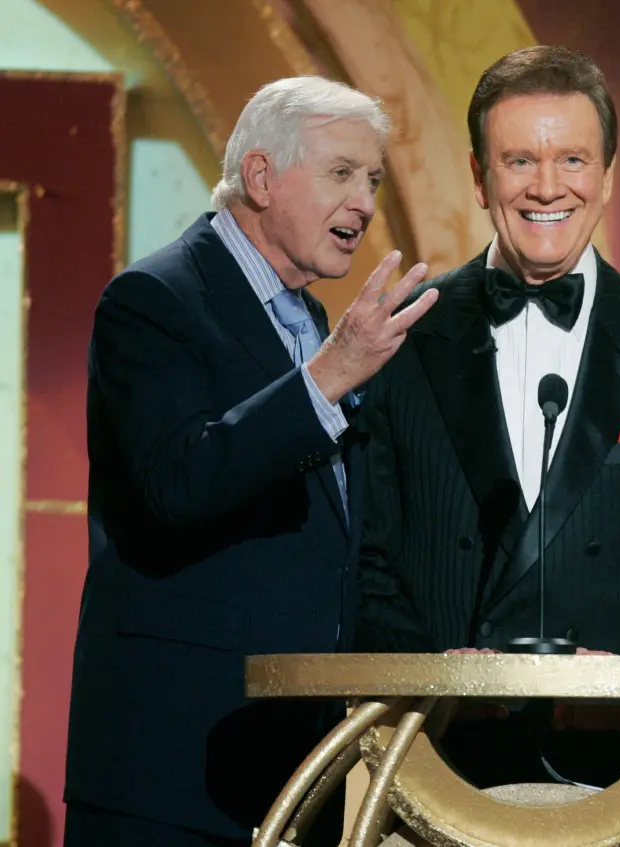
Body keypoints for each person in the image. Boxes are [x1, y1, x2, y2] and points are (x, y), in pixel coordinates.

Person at [355, 45, 620, 790]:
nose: (548, 186)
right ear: (480, 178)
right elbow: (367, 559)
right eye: (519, 161)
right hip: (442, 761)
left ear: (608, 175)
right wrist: (432, 684)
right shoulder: (405, 337)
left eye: (573, 159)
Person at [64, 76, 438, 846]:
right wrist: (330, 374)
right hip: (171, 772)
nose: (364, 203)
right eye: (341, 173)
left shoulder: (313, 323)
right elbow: (180, 482)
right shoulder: (154, 301)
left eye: (371, 179)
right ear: (262, 177)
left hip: (295, 775)